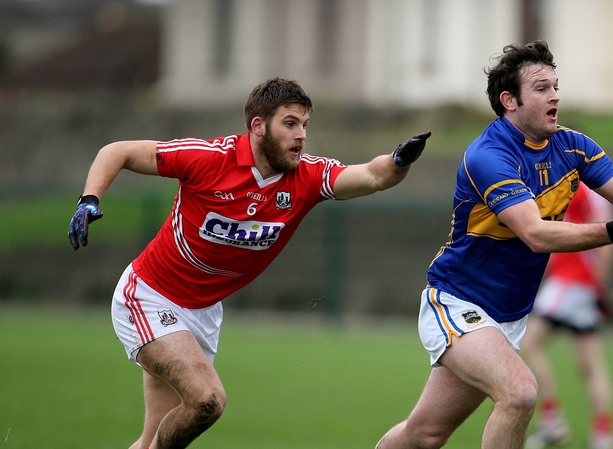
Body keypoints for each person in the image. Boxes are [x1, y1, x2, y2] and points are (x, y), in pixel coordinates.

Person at [68, 77, 430, 449]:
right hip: (148, 296)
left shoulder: (305, 177)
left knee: (152, 439)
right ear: (258, 125)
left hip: (202, 313)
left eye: (305, 125)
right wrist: (89, 199)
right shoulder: (209, 157)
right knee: (207, 401)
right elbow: (118, 151)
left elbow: (373, 175)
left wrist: (399, 161)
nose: (301, 135)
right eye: (290, 123)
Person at [374, 41, 613, 449]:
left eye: (556, 86)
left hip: (508, 317)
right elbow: (535, 233)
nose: (555, 95)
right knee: (520, 392)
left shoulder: (574, 146)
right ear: (509, 100)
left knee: (425, 434)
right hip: (458, 303)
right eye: (542, 88)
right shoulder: (488, 156)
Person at [520, 182, 613, 449]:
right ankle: (604, 433)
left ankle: (553, 422)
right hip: (575, 282)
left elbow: (609, 234)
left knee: (528, 344)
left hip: (573, 280)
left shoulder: (587, 187)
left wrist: (600, 283)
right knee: (589, 363)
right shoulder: (564, 181)